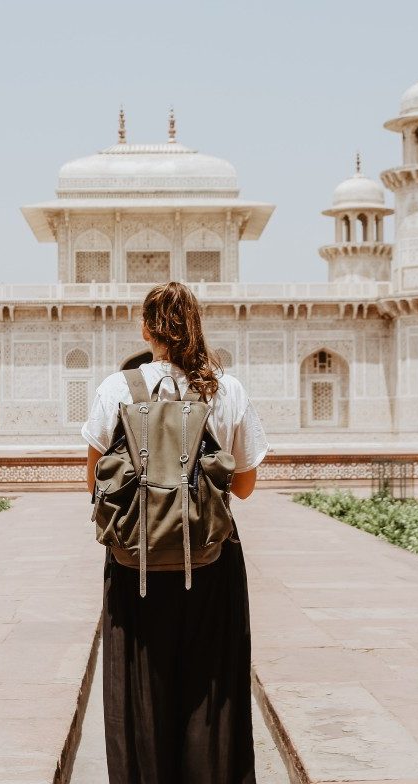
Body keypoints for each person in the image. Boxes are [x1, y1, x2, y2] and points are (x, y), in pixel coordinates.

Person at [81, 281, 268, 783]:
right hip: (211, 561)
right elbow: (245, 486)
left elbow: (95, 482)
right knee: (211, 693)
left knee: (139, 694)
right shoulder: (226, 390)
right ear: (196, 327)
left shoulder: (116, 388)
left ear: (145, 329)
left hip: (135, 565)